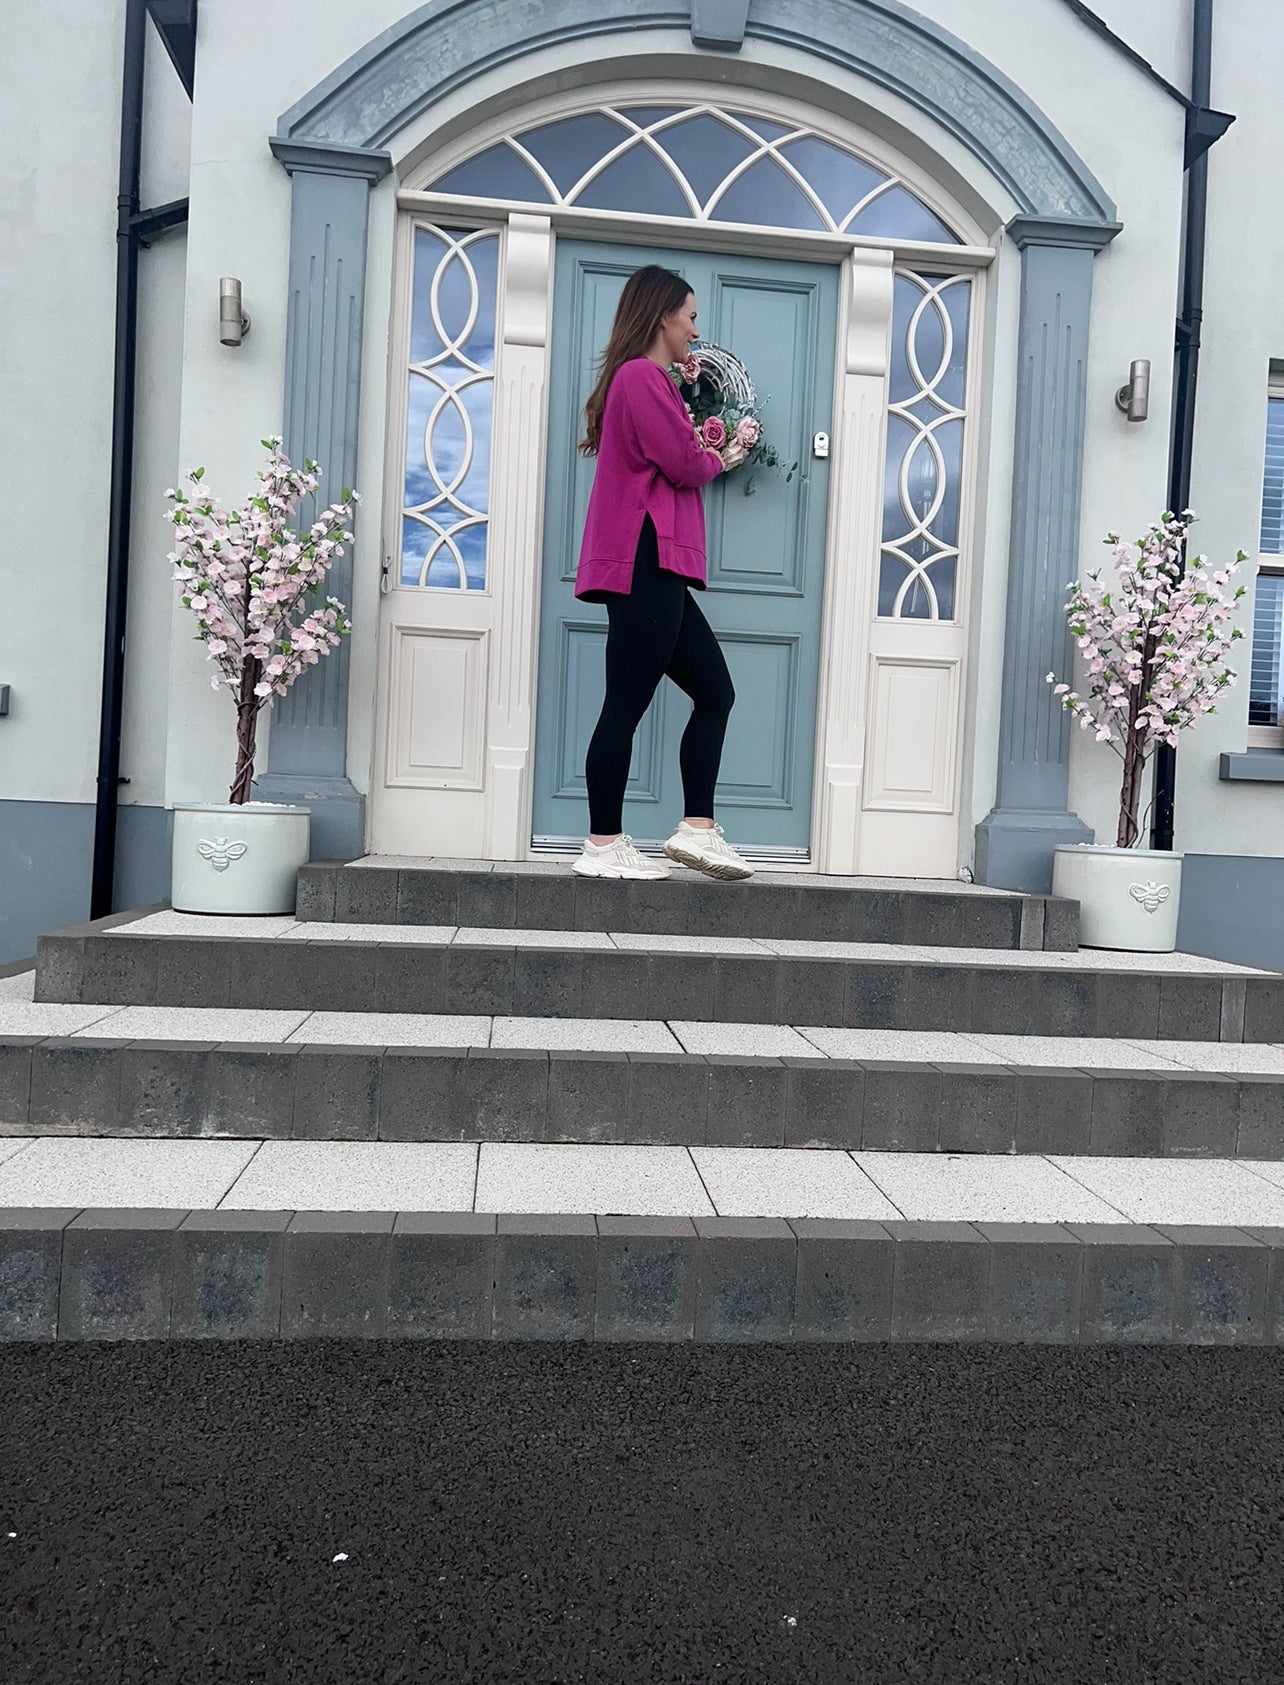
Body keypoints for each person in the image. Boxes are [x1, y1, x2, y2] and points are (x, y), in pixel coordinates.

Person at [571, 266, 753, 883]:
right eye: (691, 317)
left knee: (715, 692)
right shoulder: (641, 377)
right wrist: (718, 455)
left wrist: (705, 448)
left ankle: (697, 831)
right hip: (646, 560)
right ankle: (602, 845)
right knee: (625, 702)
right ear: (662, 317)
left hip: (659, 562)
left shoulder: (647, 380)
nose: (696, 331)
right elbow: (682, 462)